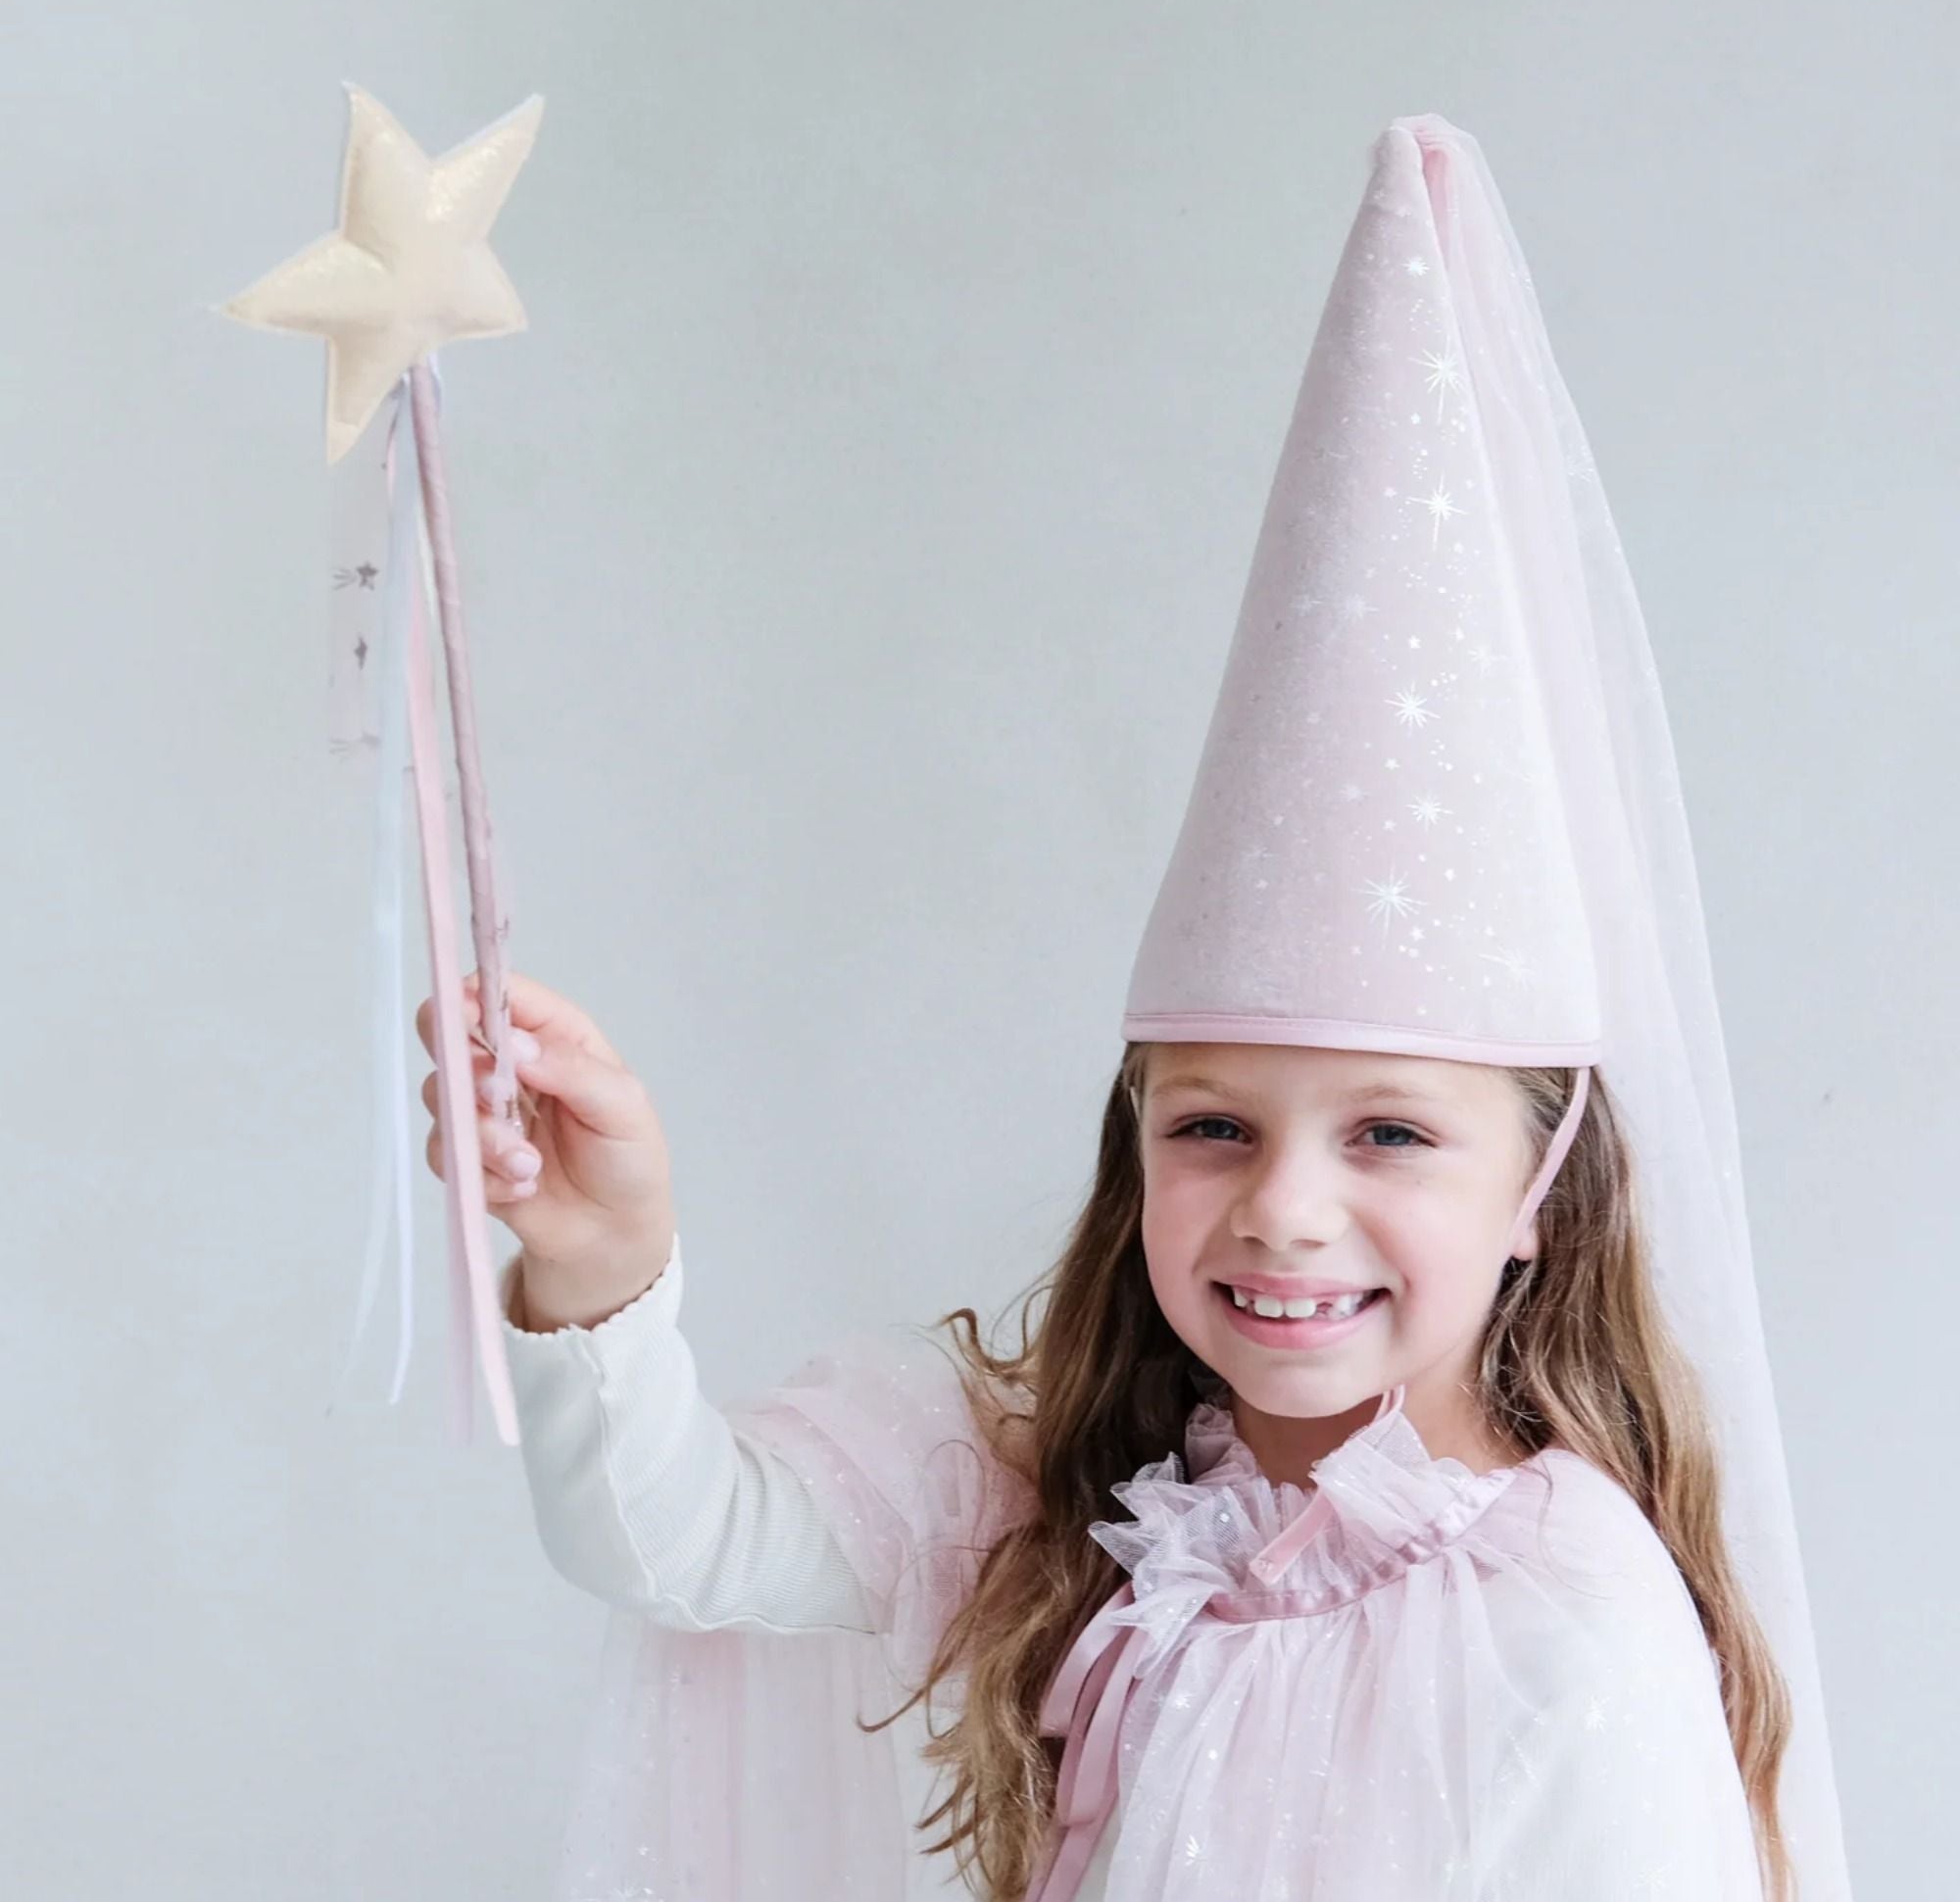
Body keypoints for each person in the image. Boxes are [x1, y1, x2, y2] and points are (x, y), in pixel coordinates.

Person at [420, 116, 1854, 1900]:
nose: (1285, 1207)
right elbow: (676, 1541)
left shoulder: (1564, 1629)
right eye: (1213, 1125)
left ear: (1541, 1189)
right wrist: (599, 1257)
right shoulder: (1073, 1494)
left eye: (1391, 1132)